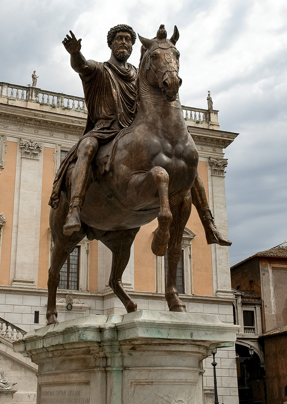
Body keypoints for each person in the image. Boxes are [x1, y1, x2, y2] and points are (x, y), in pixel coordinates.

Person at [49, 24, 231, 246]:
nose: (124, 43)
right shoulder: (101, 70)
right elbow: (82, 67)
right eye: (119, 39)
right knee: (86, 148)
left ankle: (209, 222)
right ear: (111, 43)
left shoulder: (138, 75)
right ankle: (75, 209)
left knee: (185, 164)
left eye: (128, 40)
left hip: (133, 130)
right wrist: (75, 53)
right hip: (105, 129)